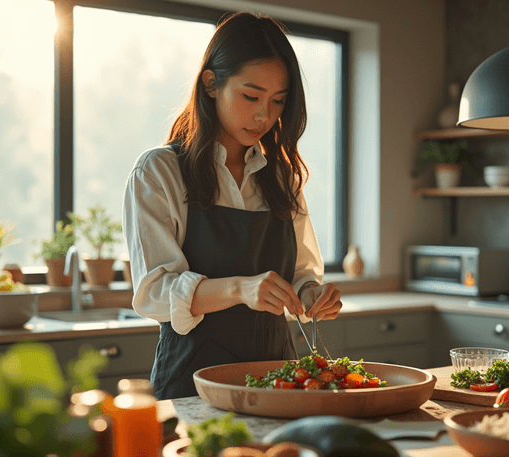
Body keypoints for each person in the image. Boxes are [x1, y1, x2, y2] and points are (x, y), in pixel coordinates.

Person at [122, 11, 343, 400]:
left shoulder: (282, 177)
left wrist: (311, 295)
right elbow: (154, 292)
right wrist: (241, 288)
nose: (264, 115)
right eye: (250, 96)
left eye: (278, 101)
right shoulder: (159, 171)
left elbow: (303, 272)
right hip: (191, 383)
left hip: (280, 378)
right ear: (211, 84)